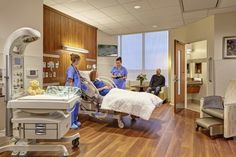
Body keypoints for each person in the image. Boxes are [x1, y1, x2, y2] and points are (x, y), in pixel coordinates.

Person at [65, 53, 82, 129]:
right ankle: (70, 123)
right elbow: (70, 79)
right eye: (78, 60)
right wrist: (71, 90)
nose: (79, 62)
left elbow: (78, 78)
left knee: (76, 106)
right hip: (72, 90)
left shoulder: (75, 68)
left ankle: (74, 121)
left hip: (77, 90)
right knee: (71, 107)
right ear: (75, 60)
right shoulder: (71, 68)